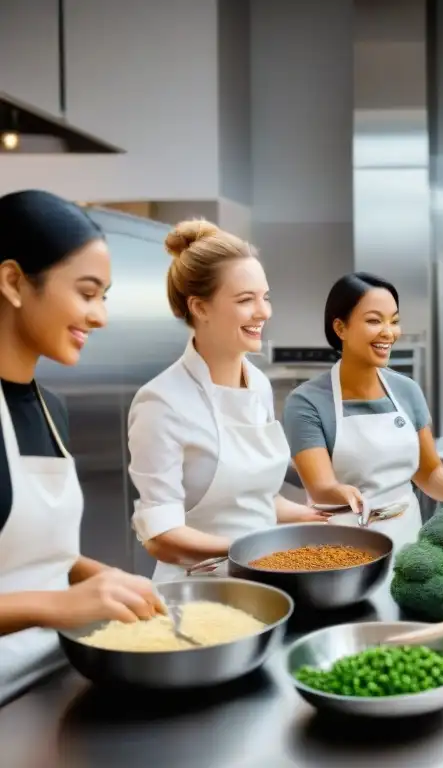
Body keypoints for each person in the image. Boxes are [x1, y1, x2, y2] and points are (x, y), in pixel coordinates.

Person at [0, 190, 162, 705]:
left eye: (105, 297)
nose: (100, 317)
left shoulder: (50, 408)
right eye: (87, 293)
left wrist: (104, 577)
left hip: (53, 680)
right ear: (13, 282)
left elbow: (40, 556)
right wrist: (58, 604)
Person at [128, 220, 328, 582]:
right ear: (200, 308)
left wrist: (311, 514)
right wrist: (257, 547)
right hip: (197, 592)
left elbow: (253, 499)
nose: (264, 312)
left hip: (266, 576)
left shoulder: (259, 385)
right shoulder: (161, 403)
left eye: (265, 297)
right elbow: (160, 537)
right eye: (245, 300)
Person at [284, 272, 443, 553]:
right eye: (374, 320)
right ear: (340, 328)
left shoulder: (407, 391)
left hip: (407, 542)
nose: (388, 332)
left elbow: (429, 473)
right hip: (341, 545)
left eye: (394, 321)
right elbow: (321, 487)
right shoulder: (306, 402)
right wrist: (343, 494)